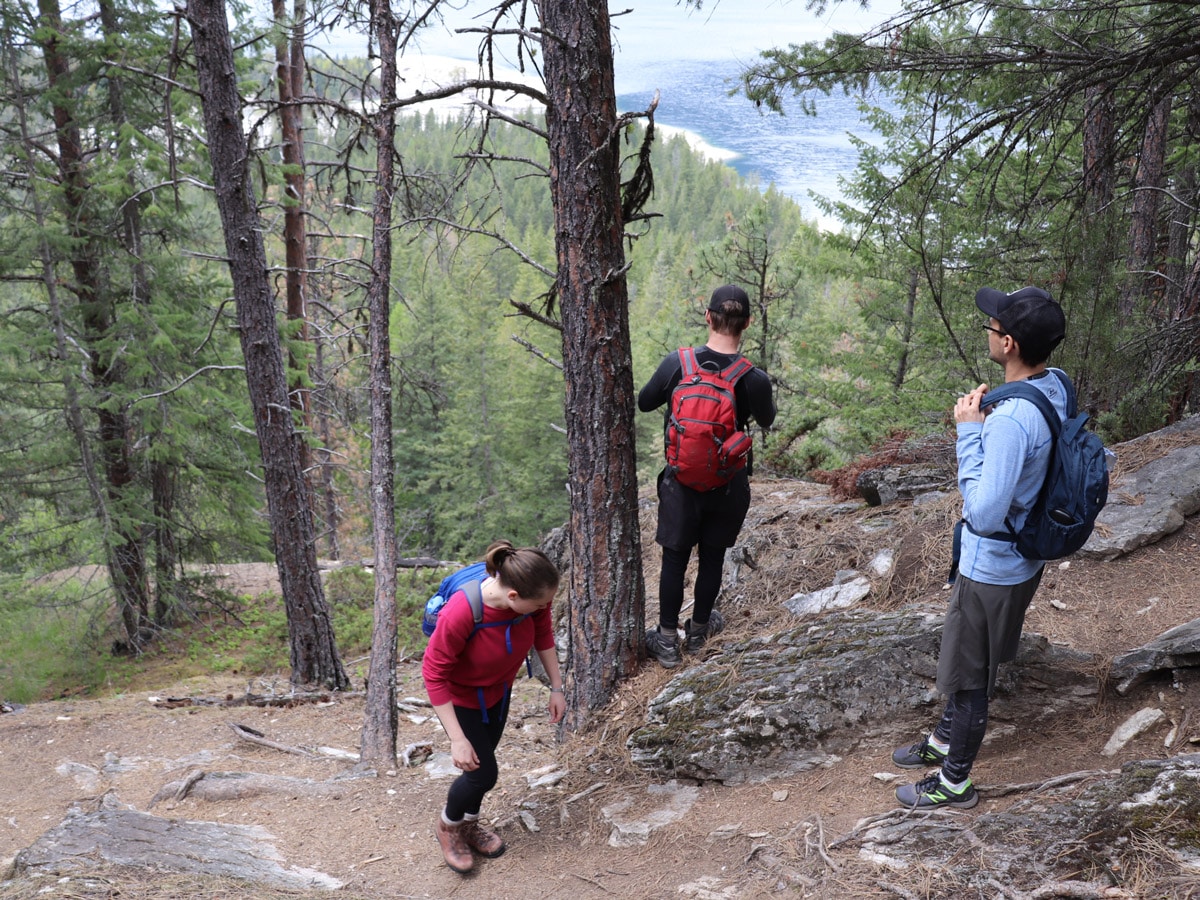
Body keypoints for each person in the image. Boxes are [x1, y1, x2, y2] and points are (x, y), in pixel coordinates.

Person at [892, 285, 1068, 809]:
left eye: (992, 327)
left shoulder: (1012, 421)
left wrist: (969, 433)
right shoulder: (1053, 384)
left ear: (1009, 343)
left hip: (992, 563)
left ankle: (954, 782)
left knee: (969, 676)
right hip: (1022, 557)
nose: (988, 331)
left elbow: (984, 514)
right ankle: (945, 739)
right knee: (975, 659)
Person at [637, 284, 777, 668]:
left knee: (674, 559)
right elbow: (766, 419)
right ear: (747, 323)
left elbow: (645, 401)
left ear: (707, 317)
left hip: (680, 480)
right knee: (712, 558)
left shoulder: (677, 364)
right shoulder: (754, 378)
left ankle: (666, 639)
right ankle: (698, 632)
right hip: (728, 483)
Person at [422, 540, 564, 873]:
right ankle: (448, 826)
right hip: (462, 700)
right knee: (483, 774)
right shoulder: (462, 612)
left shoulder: (533, 597)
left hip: (499, 693)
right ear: (513, 596)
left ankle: (469, 824)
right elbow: (433, 674)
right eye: (539, 604)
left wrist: (557, 687)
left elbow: (543, 634)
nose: (544, 607)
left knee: (480, 771)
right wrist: (457, 739)